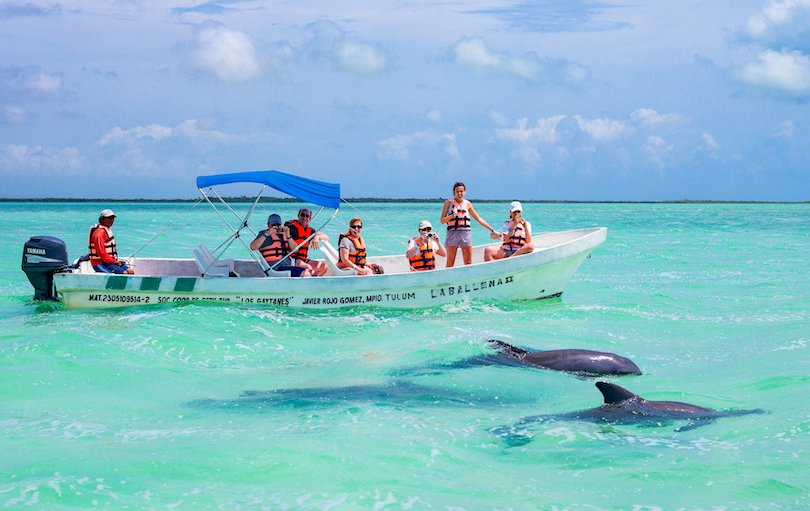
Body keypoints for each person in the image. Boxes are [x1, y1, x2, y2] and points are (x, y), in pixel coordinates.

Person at [440, 181, 498, 267]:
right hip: (452, 234)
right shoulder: (448, 203)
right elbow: (442, 221)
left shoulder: (467, 204)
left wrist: (492, 230)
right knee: (450, 262)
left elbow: (478, 218)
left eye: (461, 191)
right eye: (457, 191)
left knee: (468, 262)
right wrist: (452, 215)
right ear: (454, 193)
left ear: (465, 192)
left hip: (465, 233)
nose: (459, 193)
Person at [88, 208, 134, 274]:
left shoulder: (106, 229)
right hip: (99, 264)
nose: (111, 220)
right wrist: (114, 262)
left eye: (112, 218)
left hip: (109, 262)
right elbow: (100, 252)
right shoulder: (99, 233)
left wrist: (114, 261)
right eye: (109, 218)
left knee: (130, 271)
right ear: (102, 219)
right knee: (124, 273)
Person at [286, 208, 329, 276]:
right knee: (309, 268)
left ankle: (313, 283)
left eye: (307, 216)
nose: (304, 217)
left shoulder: (310, 230)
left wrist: (317, 237)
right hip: (293, 259)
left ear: (310, 218)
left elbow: (326, 237)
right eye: (302, 215)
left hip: (303, 259)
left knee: (323, 267)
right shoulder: (290, 228)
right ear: (298, 216)